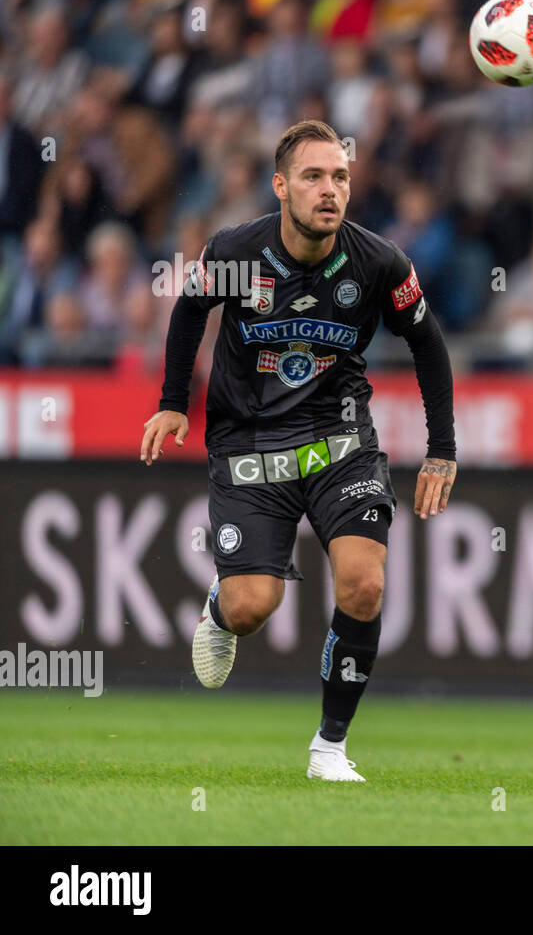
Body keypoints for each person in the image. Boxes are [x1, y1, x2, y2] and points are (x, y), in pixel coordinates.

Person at [138, 121, 457, 782]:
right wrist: (174, 400)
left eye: (340, 176)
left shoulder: (380, 262)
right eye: (313, 177)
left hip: (340, 440)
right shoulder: (235, 249)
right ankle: (221, 608)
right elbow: (191, 309)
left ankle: (330, 748)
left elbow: (428, 342)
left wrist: (441, 448)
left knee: (365, 583)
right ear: (281, 186)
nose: (329, 190)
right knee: (254, 608)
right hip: (249, 443)